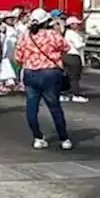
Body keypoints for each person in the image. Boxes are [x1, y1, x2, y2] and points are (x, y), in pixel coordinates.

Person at [15, 9, 73, 150]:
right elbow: (67, 47)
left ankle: (38, 137)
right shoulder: (52, 35)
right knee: (54, 107)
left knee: (31, 108)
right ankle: (64, 138)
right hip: (50, 73)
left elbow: (17, 58)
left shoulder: (24, 36)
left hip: (30, 73)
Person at [62, 16, 88, 103]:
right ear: (71, 25)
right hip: (73, 56)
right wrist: (84, 41)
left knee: (67, 76)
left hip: (67, 56)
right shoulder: (72, 34)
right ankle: (75, 94)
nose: (79, 25)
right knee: (74, 77)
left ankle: (64, 93)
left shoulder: (68, 33)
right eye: (77, 23)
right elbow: (78, 45)